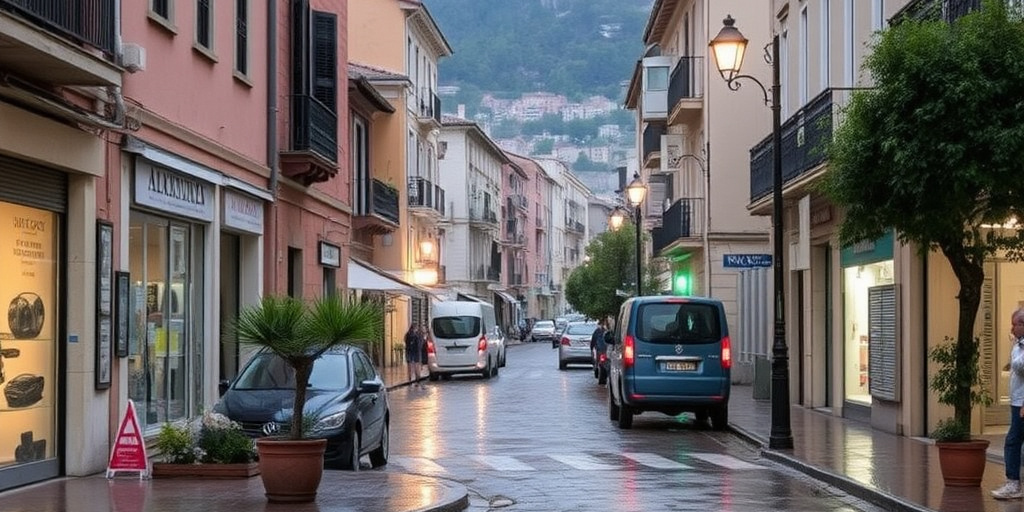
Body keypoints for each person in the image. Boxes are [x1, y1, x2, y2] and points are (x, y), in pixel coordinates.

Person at [993, 307, 1024, 500]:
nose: (1011, 329)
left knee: (1012, 441)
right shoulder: (1018, 345)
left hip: (1022, 402)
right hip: (1017, 401)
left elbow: (1021, 367)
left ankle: (1013, 483)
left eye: (1015, 324)